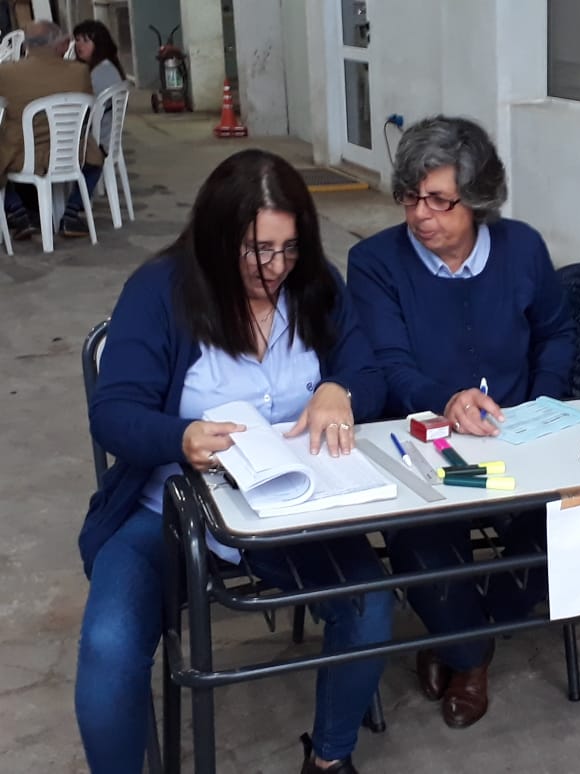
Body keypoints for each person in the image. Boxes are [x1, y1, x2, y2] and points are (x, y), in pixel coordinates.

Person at [76, 149, 391, 774]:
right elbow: (113, 413)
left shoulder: (315, 284)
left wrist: (341, 389)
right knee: (109, 647)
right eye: (256, 250)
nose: (274, 268)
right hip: (170, 512)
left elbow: (368, 372)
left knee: (370, 605)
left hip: (289, 507)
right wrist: (180, 438)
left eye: (289, 248)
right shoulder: (161, 292)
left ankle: (330, 759)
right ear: (218, 238)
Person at [347, 115, 576, 729]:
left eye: (438, 200)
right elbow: (388, 363)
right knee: (420, 546)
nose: (420, 215)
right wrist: (444, 400)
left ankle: (455, 639)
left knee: (559, 531)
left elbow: (557, 333)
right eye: (409, 197)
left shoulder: (521, 248)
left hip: (518, 441)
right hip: (425, 448)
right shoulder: (375, 262)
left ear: (477, 200)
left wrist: (542, 404)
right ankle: (470, 657)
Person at [0, 20, 102, 241]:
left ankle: (17, 212)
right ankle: (72, 213)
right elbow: (87, 110)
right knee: (96, 159)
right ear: (59, 45)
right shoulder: (79, 71)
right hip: (70, 153)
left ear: (27, 44)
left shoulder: (6, 73)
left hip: (22, 155)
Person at [58, 18, 127, 238]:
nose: (79, 45)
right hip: (101, 135)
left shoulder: (100, 73)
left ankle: (69, 210)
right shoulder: (102, 67)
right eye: (77, 40)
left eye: (86, 41)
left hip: (98, 139)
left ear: (100, 43)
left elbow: (83, 109)